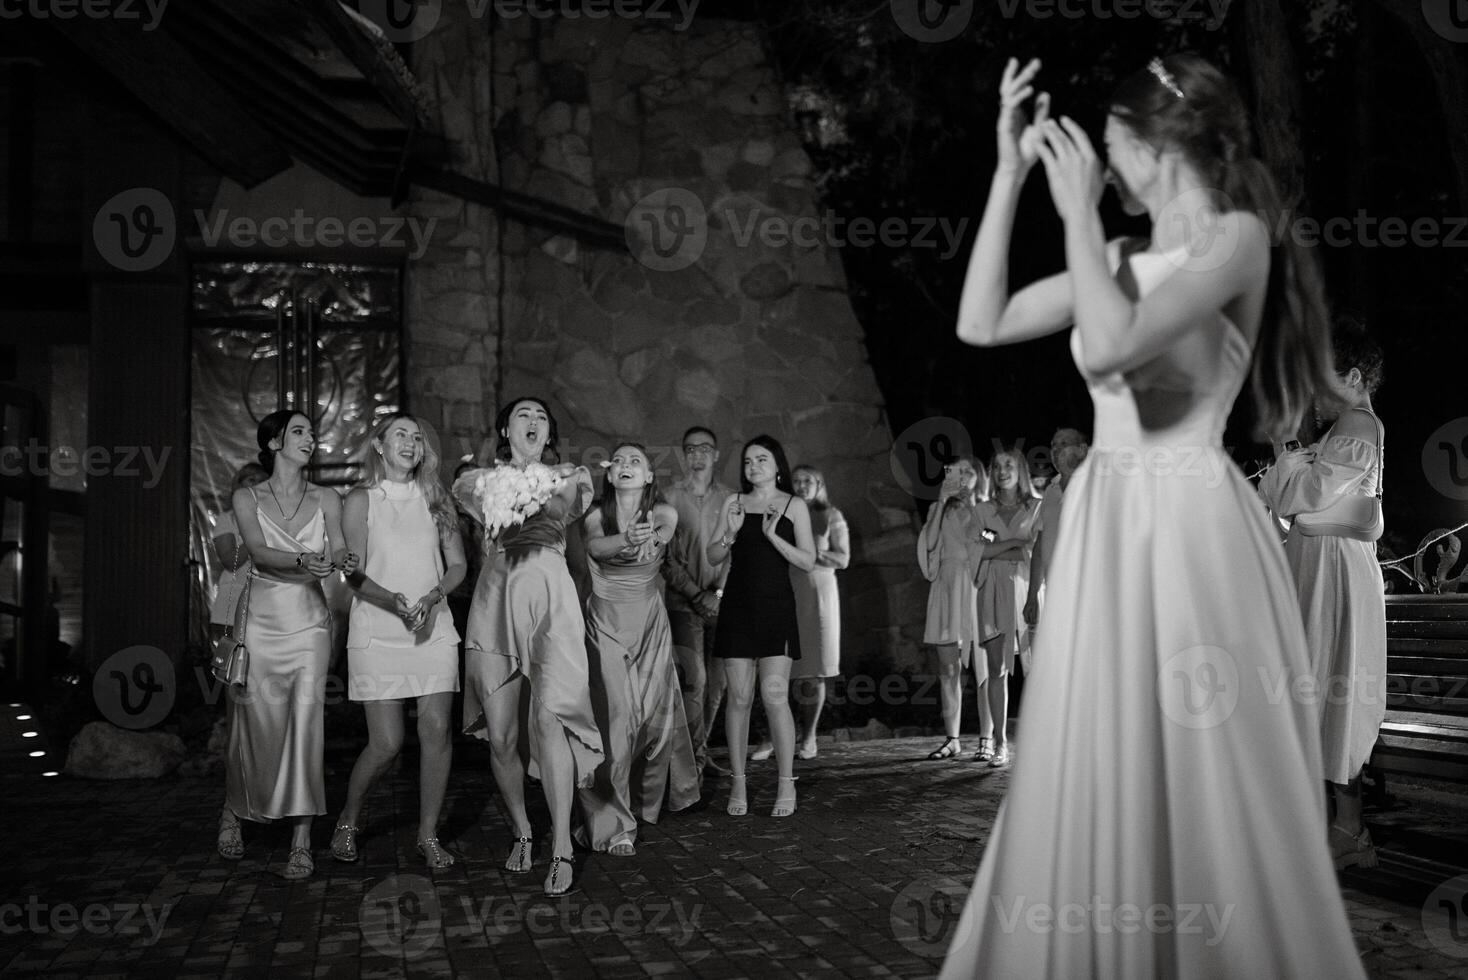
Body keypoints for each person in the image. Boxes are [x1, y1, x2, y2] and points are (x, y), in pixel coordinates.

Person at [939, 55, 1365, 977]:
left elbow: (1125, 341)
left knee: (1203, 759)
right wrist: (1011, 175)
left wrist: (1081, 219)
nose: (1103, 163)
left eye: (1111, 146)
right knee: (1103, 753)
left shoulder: (1238, 240)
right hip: (1106, 521)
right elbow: (982, 319)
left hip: (1188, 521)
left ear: (1154, 147)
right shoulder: (1120, 256)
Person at [452, 396, 602, 897]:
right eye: (523, 415)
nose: (534, 421)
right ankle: (522, 829)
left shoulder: (569, 476)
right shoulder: (479, 481)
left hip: (550, 598)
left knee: (549, 718)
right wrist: (505, 478)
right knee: (500, 736)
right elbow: (469, 496)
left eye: (542, 417)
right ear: (504, 429)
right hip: (496, 599)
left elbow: (562, 509)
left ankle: (560, 845)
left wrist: (533, 481)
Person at [1258, 320, 1386, 870]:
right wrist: (1290, 463)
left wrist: (1288, 453)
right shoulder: (1342, 431)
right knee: (1316, 689)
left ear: (1352, 377)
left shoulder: (1357, 425)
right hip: (1318, 562)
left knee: (1330, 687)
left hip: (1333, 569)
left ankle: (1346, 833)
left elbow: (1303, 494)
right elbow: (1281, 492)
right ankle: (1331, 831)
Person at [218, 410, 358, 880]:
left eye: (313, 432)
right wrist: (302, 554)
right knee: (255, 722)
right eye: (300, 431)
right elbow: (256, 551)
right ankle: (234, 808)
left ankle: (301, 838)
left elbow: (337, 547)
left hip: (309, 622)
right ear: (274, 442)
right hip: (261, 619)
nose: (311, 439)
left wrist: (344, 558)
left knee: (306, 724)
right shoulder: (246, 496)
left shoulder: (327, 497)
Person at [330, 414, 466, 871]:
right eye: (400, 435)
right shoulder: (361, 500)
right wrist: (393, 600)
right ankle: (348, 818)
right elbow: (353, 571)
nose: (411, 442)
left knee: (436, 730)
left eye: (417, 436)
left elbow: (458, 565)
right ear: (379, 446)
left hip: (432, 625)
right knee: (387, 743)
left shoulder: (436, 497)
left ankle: (428, 834)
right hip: (378, 627)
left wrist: (432, 597)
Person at [576, 443, 701, 855]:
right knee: (616, 722)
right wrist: (626, 538)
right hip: (605, 628)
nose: (627, 465)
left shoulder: (663, 512)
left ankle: (638, 803)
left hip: (650, 626)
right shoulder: (595, 514)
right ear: (609, 474)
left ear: (648, 476)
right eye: (620, 461)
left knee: (651, 725)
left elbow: (663, 533)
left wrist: (653, 538)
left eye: (637, 461)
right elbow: (596, 547)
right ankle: (615, 827)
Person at [708, 435, 816, 818]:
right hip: (738, 607)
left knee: (773, 697)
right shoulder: (733, 503)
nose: (754, 466)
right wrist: (731, 534)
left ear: (778, 464)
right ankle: (738, 781)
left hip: (776, 609)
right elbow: (713, 554)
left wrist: (772, 536)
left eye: (762, 459)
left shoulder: (794, 505)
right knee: (738, 698)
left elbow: (807, 560)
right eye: (749, 461)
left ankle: (787, 783)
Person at [751, 465, 850, 761]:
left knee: (813, 670)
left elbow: (843, 558)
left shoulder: (831, 515)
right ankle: (772, 737)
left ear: (819, 484)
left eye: (808, 481)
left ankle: (809, 738)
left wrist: (809, 551)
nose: (802, 485)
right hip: (784, 593)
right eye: (797, 481)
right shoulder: (781, 512)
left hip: (818, 596)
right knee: (778, 668)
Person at [660, 426, 734, 775]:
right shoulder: (670, 497)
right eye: (690, 449)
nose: (698, 455)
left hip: (723, 603)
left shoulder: (731, 499)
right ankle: (694, 762)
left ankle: (700, 752)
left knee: (717, 684)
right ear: (684, 454)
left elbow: (735, 553)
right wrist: (695, 593)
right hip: (683, 602)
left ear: (716, 454)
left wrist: (717, 593)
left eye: (705, 448)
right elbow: (666, 557)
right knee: (695, 681)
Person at [916, 456, 992, 761]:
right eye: (953, 472)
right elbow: (931, 543)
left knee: (985, 670)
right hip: (947, 587)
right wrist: (941, 500)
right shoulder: (939, 508)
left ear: (976, 476)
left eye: (966, 472)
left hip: (975, 585)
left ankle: (987, 738)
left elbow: (990, 538)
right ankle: (952, 738)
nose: (959, 477)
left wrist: (972, 504)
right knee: (948, 669)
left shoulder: (988, 505)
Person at [971, 447, 1043, 767]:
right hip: (993, 589)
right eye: (997, 465)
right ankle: (1000, 742)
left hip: (1029, 587)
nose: (1002, 471)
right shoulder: (983, 511)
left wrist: (1001, 546)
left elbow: (1041, 550)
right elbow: (979, 552)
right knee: (997, 669)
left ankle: (1043, 740)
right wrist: (1016, 543)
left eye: (1009, 465)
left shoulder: (1037, 507)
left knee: (1038, 668)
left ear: (1021, 470)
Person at [1023, 428, 1088, 632]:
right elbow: (1041, 545)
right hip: (1058, 593)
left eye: (1064, 443)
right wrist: (1032, 595)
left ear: (1082, 450)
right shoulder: (1051, 492)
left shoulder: (1094, 485)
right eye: (1053, 445)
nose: (1056, 449)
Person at [209, 462, 269, 643]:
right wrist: (255, 531)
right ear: (239, 485)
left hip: (265, 609)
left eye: (262, 482)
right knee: (228, 667)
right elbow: (230, 561)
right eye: (251, 480)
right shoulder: (227, 519)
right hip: (231, 607)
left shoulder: (274, 520)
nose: (256, 485)